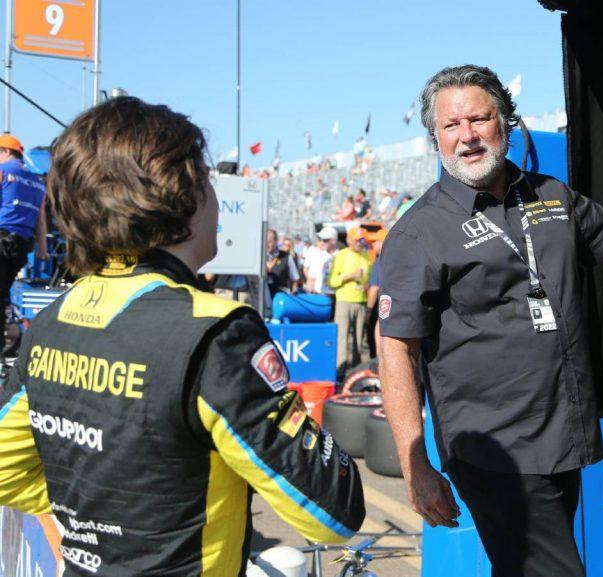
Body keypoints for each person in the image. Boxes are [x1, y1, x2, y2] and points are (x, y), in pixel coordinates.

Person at [377, 64, 603, 577]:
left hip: (561, 437)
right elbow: (395, 348)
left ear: (505, 122)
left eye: (479, 119)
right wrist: (415, 466)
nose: (467, 137)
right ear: (435, 138)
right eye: (451, 127)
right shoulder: (419, 233)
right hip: (494, 450)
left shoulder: (550, 195)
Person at [0, 97, 364, 575]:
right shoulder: (215, 332)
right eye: (208, 182)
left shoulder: (50, 319)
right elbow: (333, 510)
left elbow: (6, 471)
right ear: (187, 198)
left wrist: (103, 513)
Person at [0, 135, 47, 353]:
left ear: (5, 152)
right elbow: (40, 219)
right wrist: (43, 249)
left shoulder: (3, 170)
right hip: (20, 247)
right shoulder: (38, 182)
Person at [329, 226, 371, 376]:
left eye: (362, 240)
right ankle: (340, 372)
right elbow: (332, 282)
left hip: (361, 301)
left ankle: (360, 371)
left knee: (361, 340)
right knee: (343, 338)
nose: (360, 243)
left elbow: (368, 280)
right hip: (344, 302)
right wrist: (349, 276)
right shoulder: (341, 255)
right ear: (349, 240)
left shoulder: (366, 256)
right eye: (357, 240)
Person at [304, 226, 338, 295]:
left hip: (335, 294)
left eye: (325, 240)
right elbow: (311, 277)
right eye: (320, 239)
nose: (322, 242)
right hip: (319, 294)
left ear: (333, 241)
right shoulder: (318, 256)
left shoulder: (340, 255)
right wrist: (310, 292)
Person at [266, 228, 299, 296]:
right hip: (263, 298)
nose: (267, 245)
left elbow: (295, 279)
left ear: (276, 241)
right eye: (265, 241)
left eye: (269, 242)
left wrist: (293, 294)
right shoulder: (260, 257)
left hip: (281, 298)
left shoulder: (286, 257)